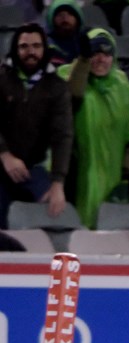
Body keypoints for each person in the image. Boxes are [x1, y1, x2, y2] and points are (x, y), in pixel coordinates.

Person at [58, 28, 129, 229]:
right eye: (95, 52)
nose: (101, 59)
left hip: (113, 173)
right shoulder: (68, 73)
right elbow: (71, 97)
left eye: (106, 53)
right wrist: (83, 61)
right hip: (77, 169)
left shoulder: (121, 83)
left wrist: (127, 174)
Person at [0, 22, 72, 229]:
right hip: (1, 163)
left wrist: (58, 182)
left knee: (55, 212)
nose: (30, 52)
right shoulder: (1, 79)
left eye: (36, 46)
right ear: (15, 50)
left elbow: (62, 135)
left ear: (44, 48)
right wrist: (4, 154)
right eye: (24, 46)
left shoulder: (57, 86)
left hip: (34, 167)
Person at [45, 0, 84, 66]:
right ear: (52, 19)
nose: (65, 18)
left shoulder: (87, 40)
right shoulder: (46, 44)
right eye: (60, 15)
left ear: (77, 18)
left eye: (70, 14)